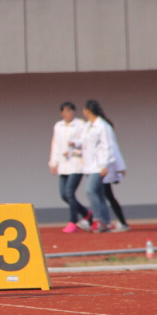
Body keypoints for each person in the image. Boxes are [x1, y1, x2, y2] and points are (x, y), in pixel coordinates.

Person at [49, 102, 91, 233]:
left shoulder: (80, 124)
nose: (68, 114)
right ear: (62, 113)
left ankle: (73, 221)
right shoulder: (58, 126)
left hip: (77, 164)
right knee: (64, 195)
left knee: (69, 192)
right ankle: (86, 213)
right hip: (63, 165)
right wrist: (53, 163)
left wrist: (74, 151)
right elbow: (55, 145)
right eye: (66, 111)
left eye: (71, 111)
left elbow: (86, 144)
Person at [78, 99, 116, 233]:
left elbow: (107, 146)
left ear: (88, 111)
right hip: (89, 165)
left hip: (99, 165)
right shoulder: (88, 126)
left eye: (84, 109)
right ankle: (105, 222)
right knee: (99, 194)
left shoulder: (102, 126)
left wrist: (105, 165)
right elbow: (83, 142)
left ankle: (98, 219)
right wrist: (74, 144)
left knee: (90, 190)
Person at [102, 117, 129, 232]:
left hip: (105, 173)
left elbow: (115, 154)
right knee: (107, 196)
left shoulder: (109, 141)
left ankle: (107, 222)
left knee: (106, 196)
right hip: (103, 172)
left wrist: (119, 170)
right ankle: (119, 222)